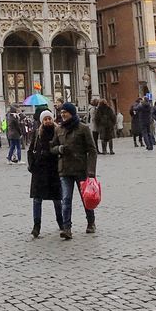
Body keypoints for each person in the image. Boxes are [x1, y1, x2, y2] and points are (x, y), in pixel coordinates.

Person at [51, 102, 98, 238]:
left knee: (86, 198)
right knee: (66, 199)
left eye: (65, 112)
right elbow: (52, 147)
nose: (63, 114)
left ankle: (90, 222)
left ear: (72, 113)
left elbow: (92, 150)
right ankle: (67, 228)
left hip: (80, 168)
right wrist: (59, 149)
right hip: (64, 169)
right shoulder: (59, 129)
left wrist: (91, 171)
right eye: (61, 112)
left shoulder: (83, 128)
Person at [27, 111, 64, 238]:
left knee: (57, 199)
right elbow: (30, 149)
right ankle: (36, 226)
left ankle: (61, 223)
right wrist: (32, 165)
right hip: (40, 170)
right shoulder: (37, 133)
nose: (47, 121)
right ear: (42, 121)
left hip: (54, 169)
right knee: (37, 199)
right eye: (45, 119)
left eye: (49, 118)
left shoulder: (58, 131)